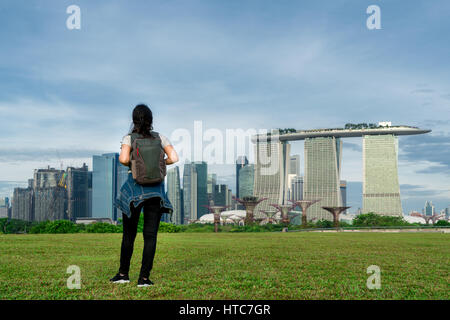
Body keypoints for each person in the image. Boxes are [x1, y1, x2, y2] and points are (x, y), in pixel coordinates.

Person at [111, 104, 179, 287]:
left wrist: (134, 165)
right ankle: (144, 279)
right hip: (156, 192)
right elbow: (174, 158)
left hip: (134, 192)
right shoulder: (161, 138)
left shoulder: (129, 138)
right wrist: (160, 164)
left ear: (134, 120)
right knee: (150, 236)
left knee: (129, 235)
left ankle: (123, 274)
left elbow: (124, 159)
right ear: (151, 120)